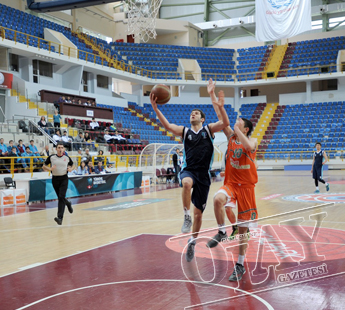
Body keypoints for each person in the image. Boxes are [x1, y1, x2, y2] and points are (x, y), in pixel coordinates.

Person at [150, 89, 229, 263]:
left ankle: (192, 241)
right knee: (186, 183)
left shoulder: (208, 130)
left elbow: (224, 122)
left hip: (203, 176)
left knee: (199, 215)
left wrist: (218, 104)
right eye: (191, 113)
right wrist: (156, 110)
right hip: (189, 170)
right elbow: (168, 126)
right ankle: (186, 216)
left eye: (196, 113)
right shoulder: (185, 132)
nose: (192, 114)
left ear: (202, 119)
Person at [206, 78, 258, 282]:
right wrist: (212, 95)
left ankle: (240, 264)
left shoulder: (250, 140)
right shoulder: (232, 137)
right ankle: (221, 231)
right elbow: (221, 116)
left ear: (245, 128)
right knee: (218, 200)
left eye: (239, 122)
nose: (235, 123)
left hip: (246, 189)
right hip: (230, 185)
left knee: (244, 232)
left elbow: (249, 147)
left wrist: (236, 129)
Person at [43, 142, 75, 225]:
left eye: (62, 147)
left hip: (64, 178)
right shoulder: (52, 157)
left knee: (61, 197)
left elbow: (73, 165)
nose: (60, 149)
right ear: (56, 149)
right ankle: (67, 203)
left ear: (64, 149)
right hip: (55, 179)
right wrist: (50, 168)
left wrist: (71, 169)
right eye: (59, 147)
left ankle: (60, 218)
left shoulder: (66, 157)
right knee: (60, 197)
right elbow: (44, 166)